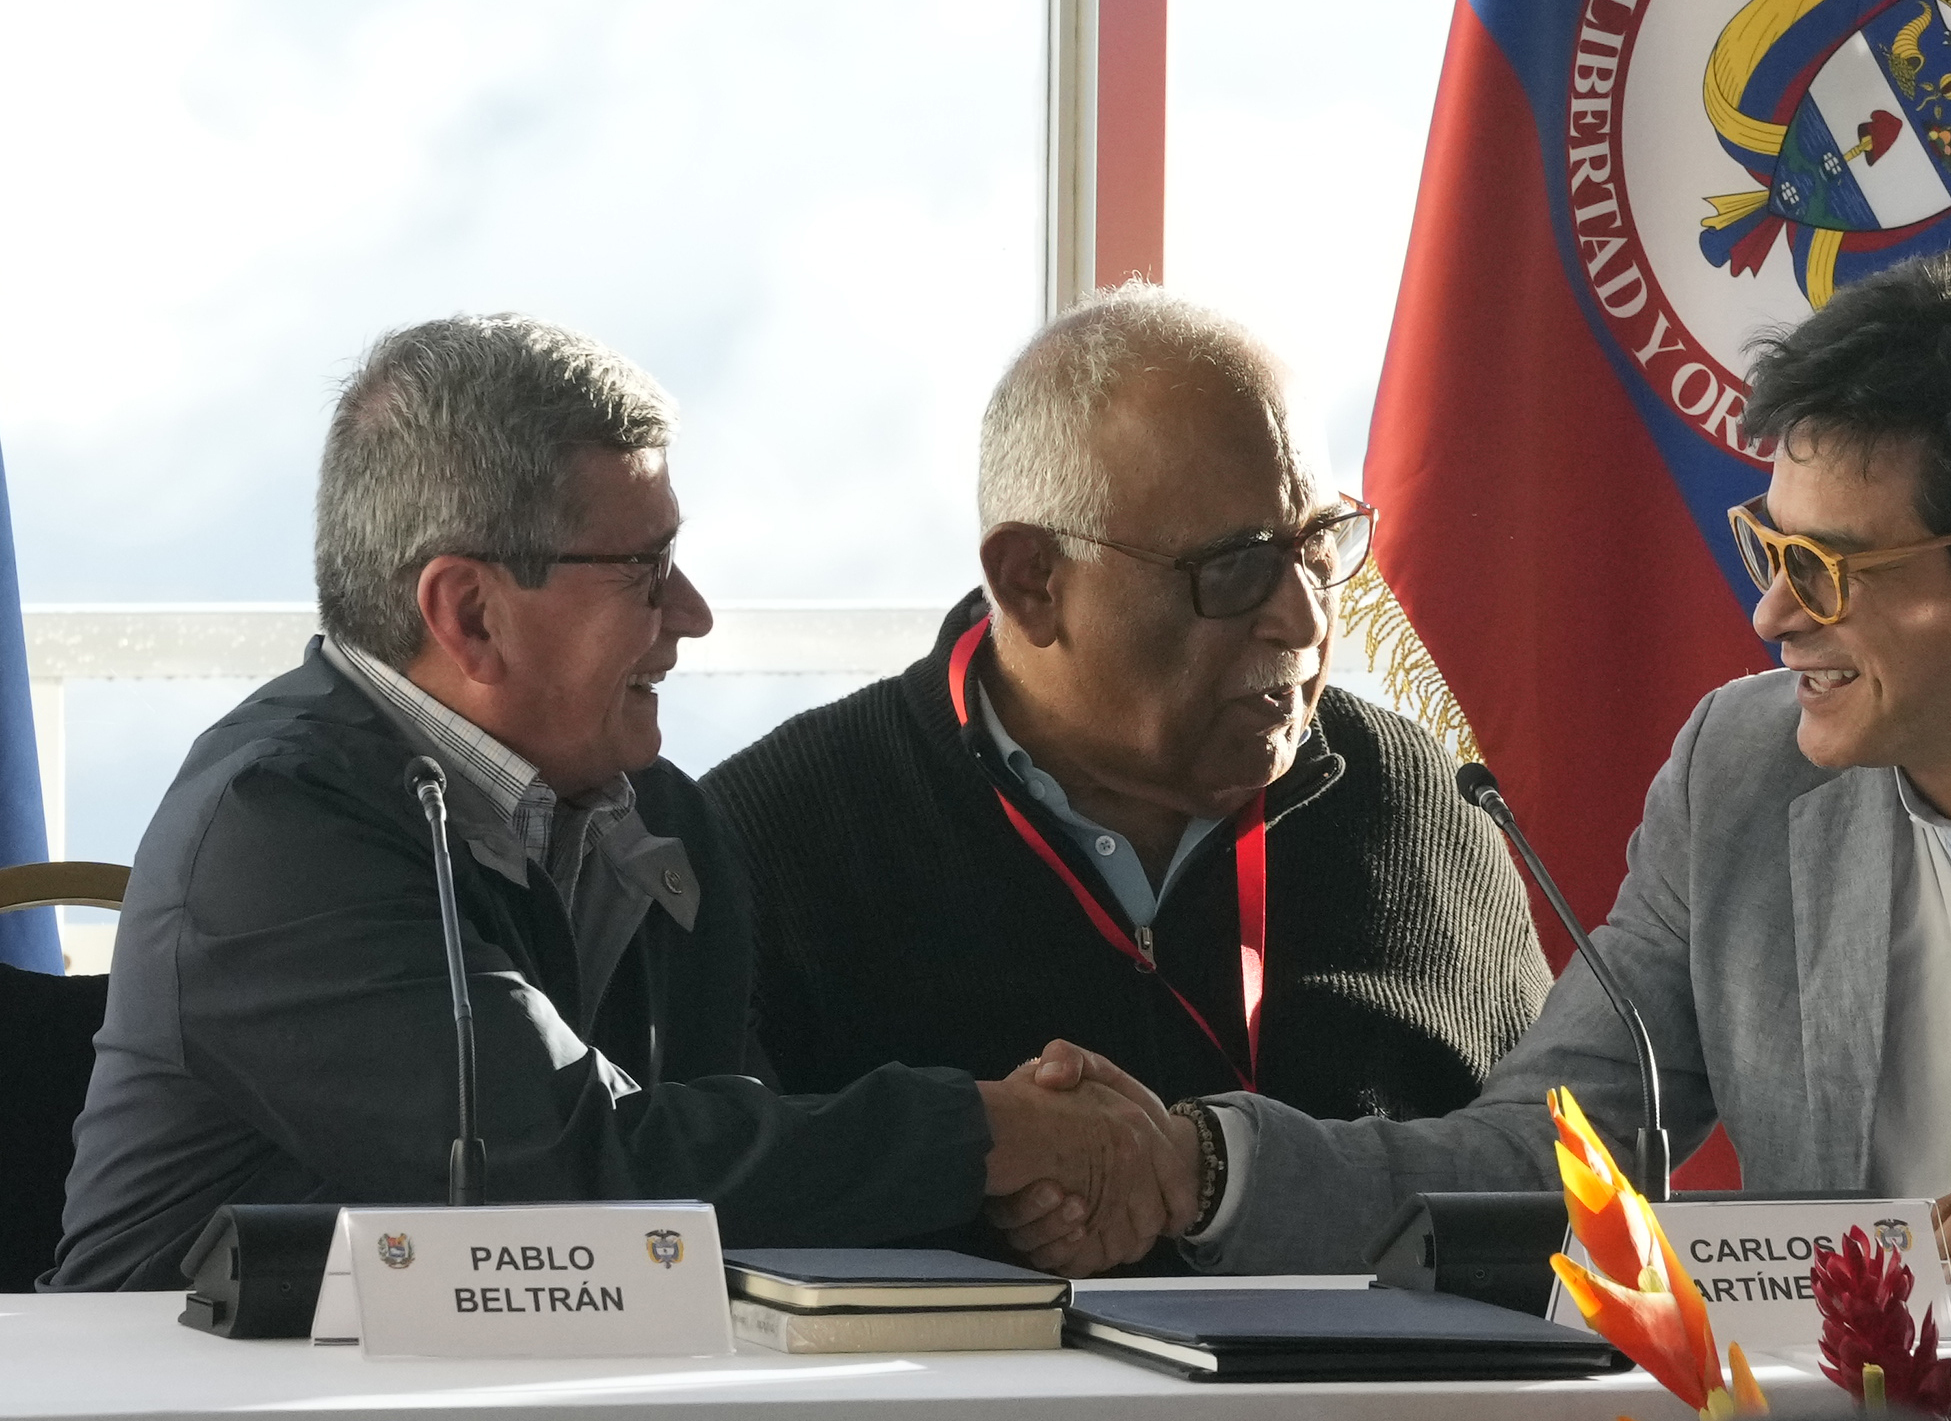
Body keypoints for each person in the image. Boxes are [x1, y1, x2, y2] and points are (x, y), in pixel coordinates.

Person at [993, 249, 1951, 1284]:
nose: (1768, 610)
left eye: (1822, 563)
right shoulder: (1743, 772)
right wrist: (1199, 1165)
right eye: (1762, 542)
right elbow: (1541, 1156)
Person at [49, 316, 1185, 1291]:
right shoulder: (271, 830)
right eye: (645, 570)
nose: (691, 614)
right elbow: (557, 1172)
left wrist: (1021, 1201)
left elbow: (738, 1193)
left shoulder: (664, 825)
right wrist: (988, 1132)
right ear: (471, 613)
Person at [703, 286, 1550, 1270]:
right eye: (1234, 565)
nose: (1306, 621)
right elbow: (688, 1234)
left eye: (1319, 546)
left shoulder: (1419, 803)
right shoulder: (777, 835)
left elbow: (1562, 1187)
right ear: (1032, 579)